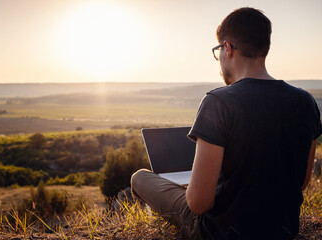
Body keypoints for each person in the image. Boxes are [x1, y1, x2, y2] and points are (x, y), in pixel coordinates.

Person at [131, 7, 322, 240]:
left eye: (218, 50)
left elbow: (198, 204)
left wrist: (194, 185)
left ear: (228, 48)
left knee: (140, 177)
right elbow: (301, 183)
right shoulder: (306, 101)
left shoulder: (219, 101)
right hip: (283, 228)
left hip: (220, 232)